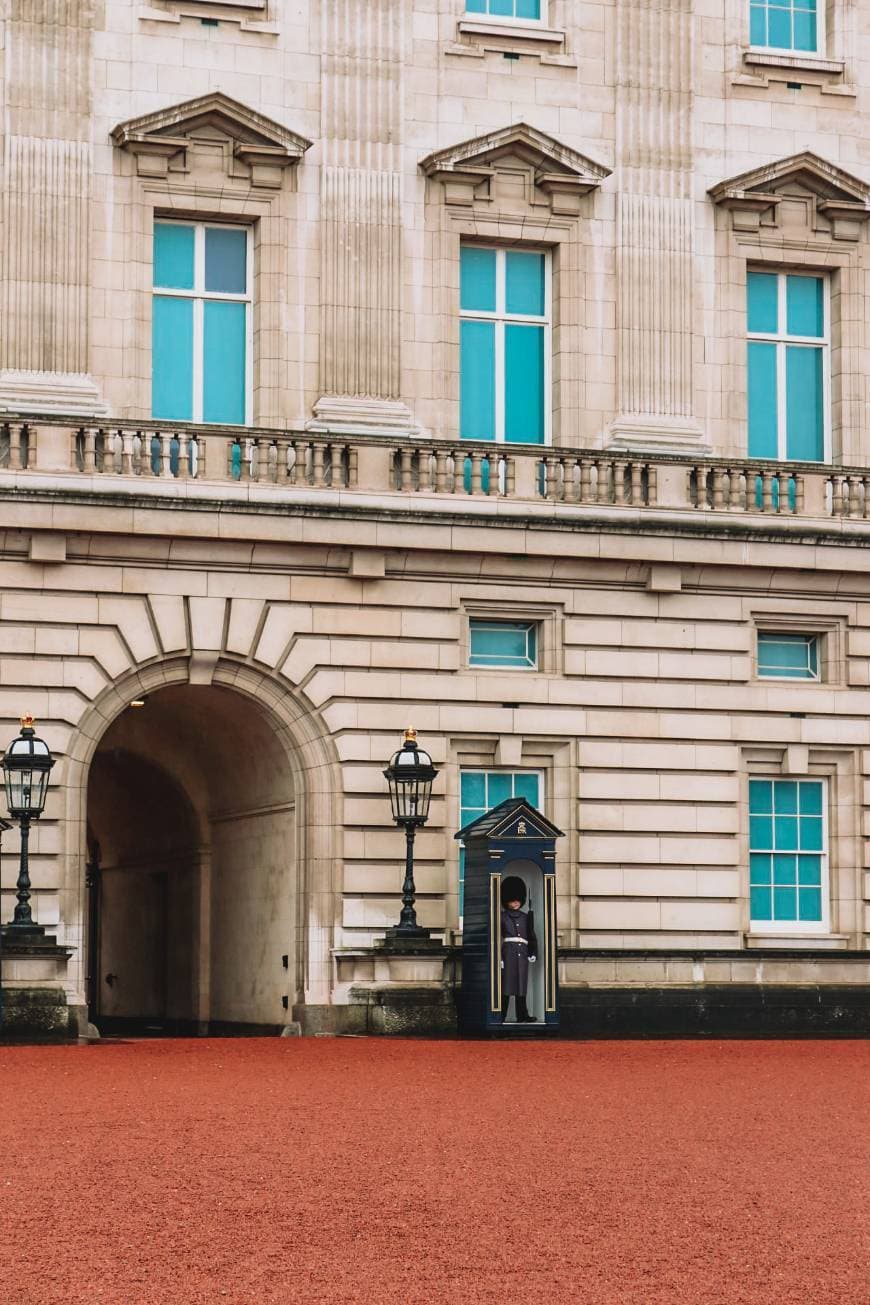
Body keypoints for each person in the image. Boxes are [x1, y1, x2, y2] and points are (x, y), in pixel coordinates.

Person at [500, 876, 538, 1023]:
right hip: (508, 952)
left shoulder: (525, 917)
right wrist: (499, 957)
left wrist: (533, 952)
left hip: (522, 954)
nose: (515, 902)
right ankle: (501, 1014)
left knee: (522, 986)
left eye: (517, 900)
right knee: (507, 985)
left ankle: (522, 1015)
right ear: (506, 900)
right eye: (512, 900)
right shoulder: (502, 917)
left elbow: (531, 935)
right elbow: (497, 938)